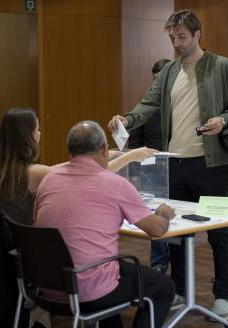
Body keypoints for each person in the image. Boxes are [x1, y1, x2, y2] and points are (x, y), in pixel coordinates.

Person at [108, 10, 228, 320]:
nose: (176, 43)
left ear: (198, 34)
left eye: (181, 36)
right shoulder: (169, 71)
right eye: (172, 37)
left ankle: (223, 296)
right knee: (173, 230)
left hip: (210, 163)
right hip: (175, 162)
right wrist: (126, 119)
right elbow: (148, 104)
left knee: (218, 234)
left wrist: (222, 120)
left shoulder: (222, 66)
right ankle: (180, 291)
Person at [33, 121, 176, 328]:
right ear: (104, 150)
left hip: (48, 285)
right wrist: (163, 213)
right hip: (89, 290)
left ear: (70, 151)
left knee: (109, 272)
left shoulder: (48, 181)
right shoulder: (115, 183)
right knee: (163, 287)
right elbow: (156, 230)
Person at [0, 108, 156, 225]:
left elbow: (60, 168)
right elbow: (89, 172)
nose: (40, 134)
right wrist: (130, 156)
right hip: (32, 251)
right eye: (37, 129)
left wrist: (89, 158)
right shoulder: (34, 172)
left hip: (8, 248)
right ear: (26, 136)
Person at [128, 58, 172, 275]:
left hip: (179, 167)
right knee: (157, 213)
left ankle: (179, 259)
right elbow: (134, 140)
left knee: (177, 215)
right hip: (152, 171)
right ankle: (160, 261)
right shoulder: (146, 106)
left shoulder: (180, 105)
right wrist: (136, 172)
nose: (158, 84)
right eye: (155, 80)